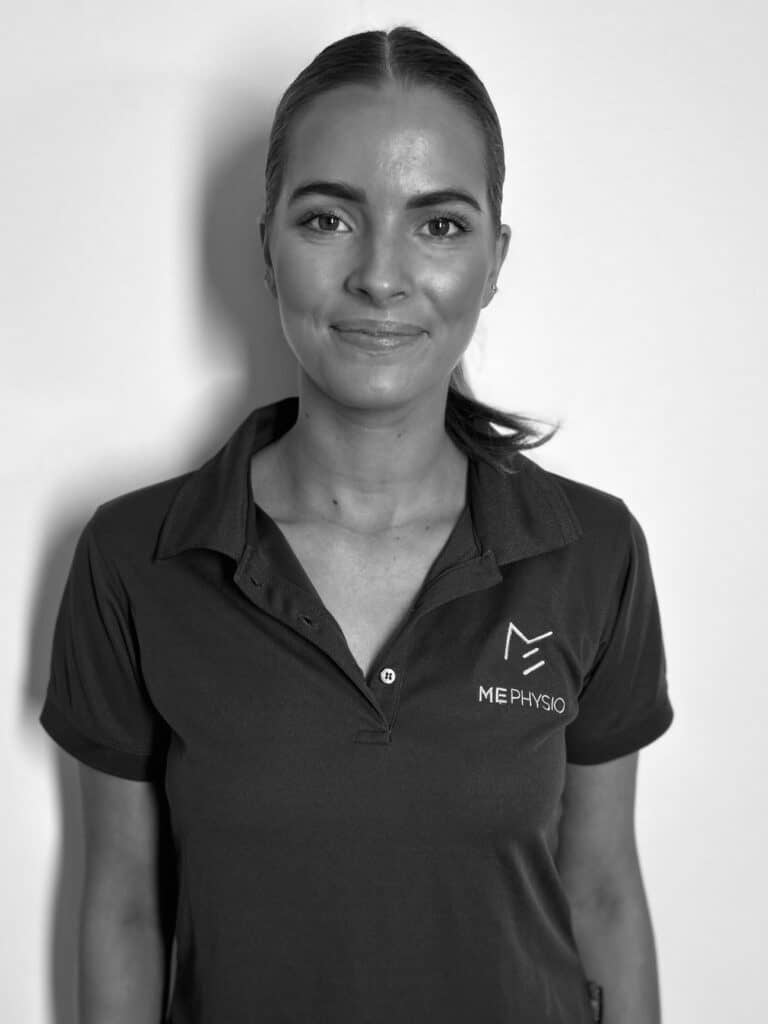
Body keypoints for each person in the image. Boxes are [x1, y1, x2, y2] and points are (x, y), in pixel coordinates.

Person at [38, 25, 674, 1024]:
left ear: (496, 259)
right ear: (266, 244)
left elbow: (600, 891)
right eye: (329, 219)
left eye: (440, 225)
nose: (382, 274)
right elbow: (121, 906)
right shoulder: (134, 559)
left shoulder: (592, 553)